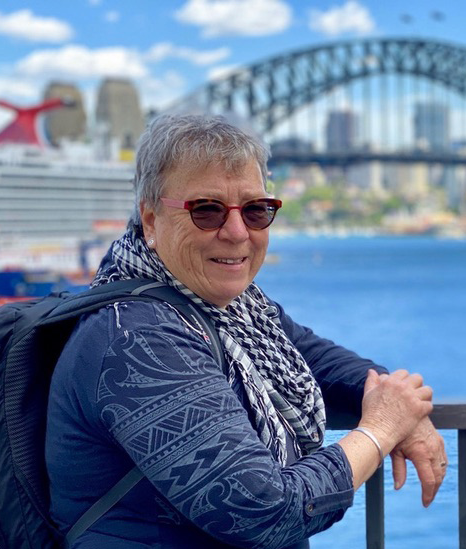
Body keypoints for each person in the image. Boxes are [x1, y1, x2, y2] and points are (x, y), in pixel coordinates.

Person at [46, 114, 447, 549]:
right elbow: (266, 513)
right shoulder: (135, 338)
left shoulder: (238, 310)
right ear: (150, 220)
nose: (237, 232)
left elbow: (323, 362)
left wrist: (397, 401)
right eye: (207, 210)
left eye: (256, 211)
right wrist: (382, 428)